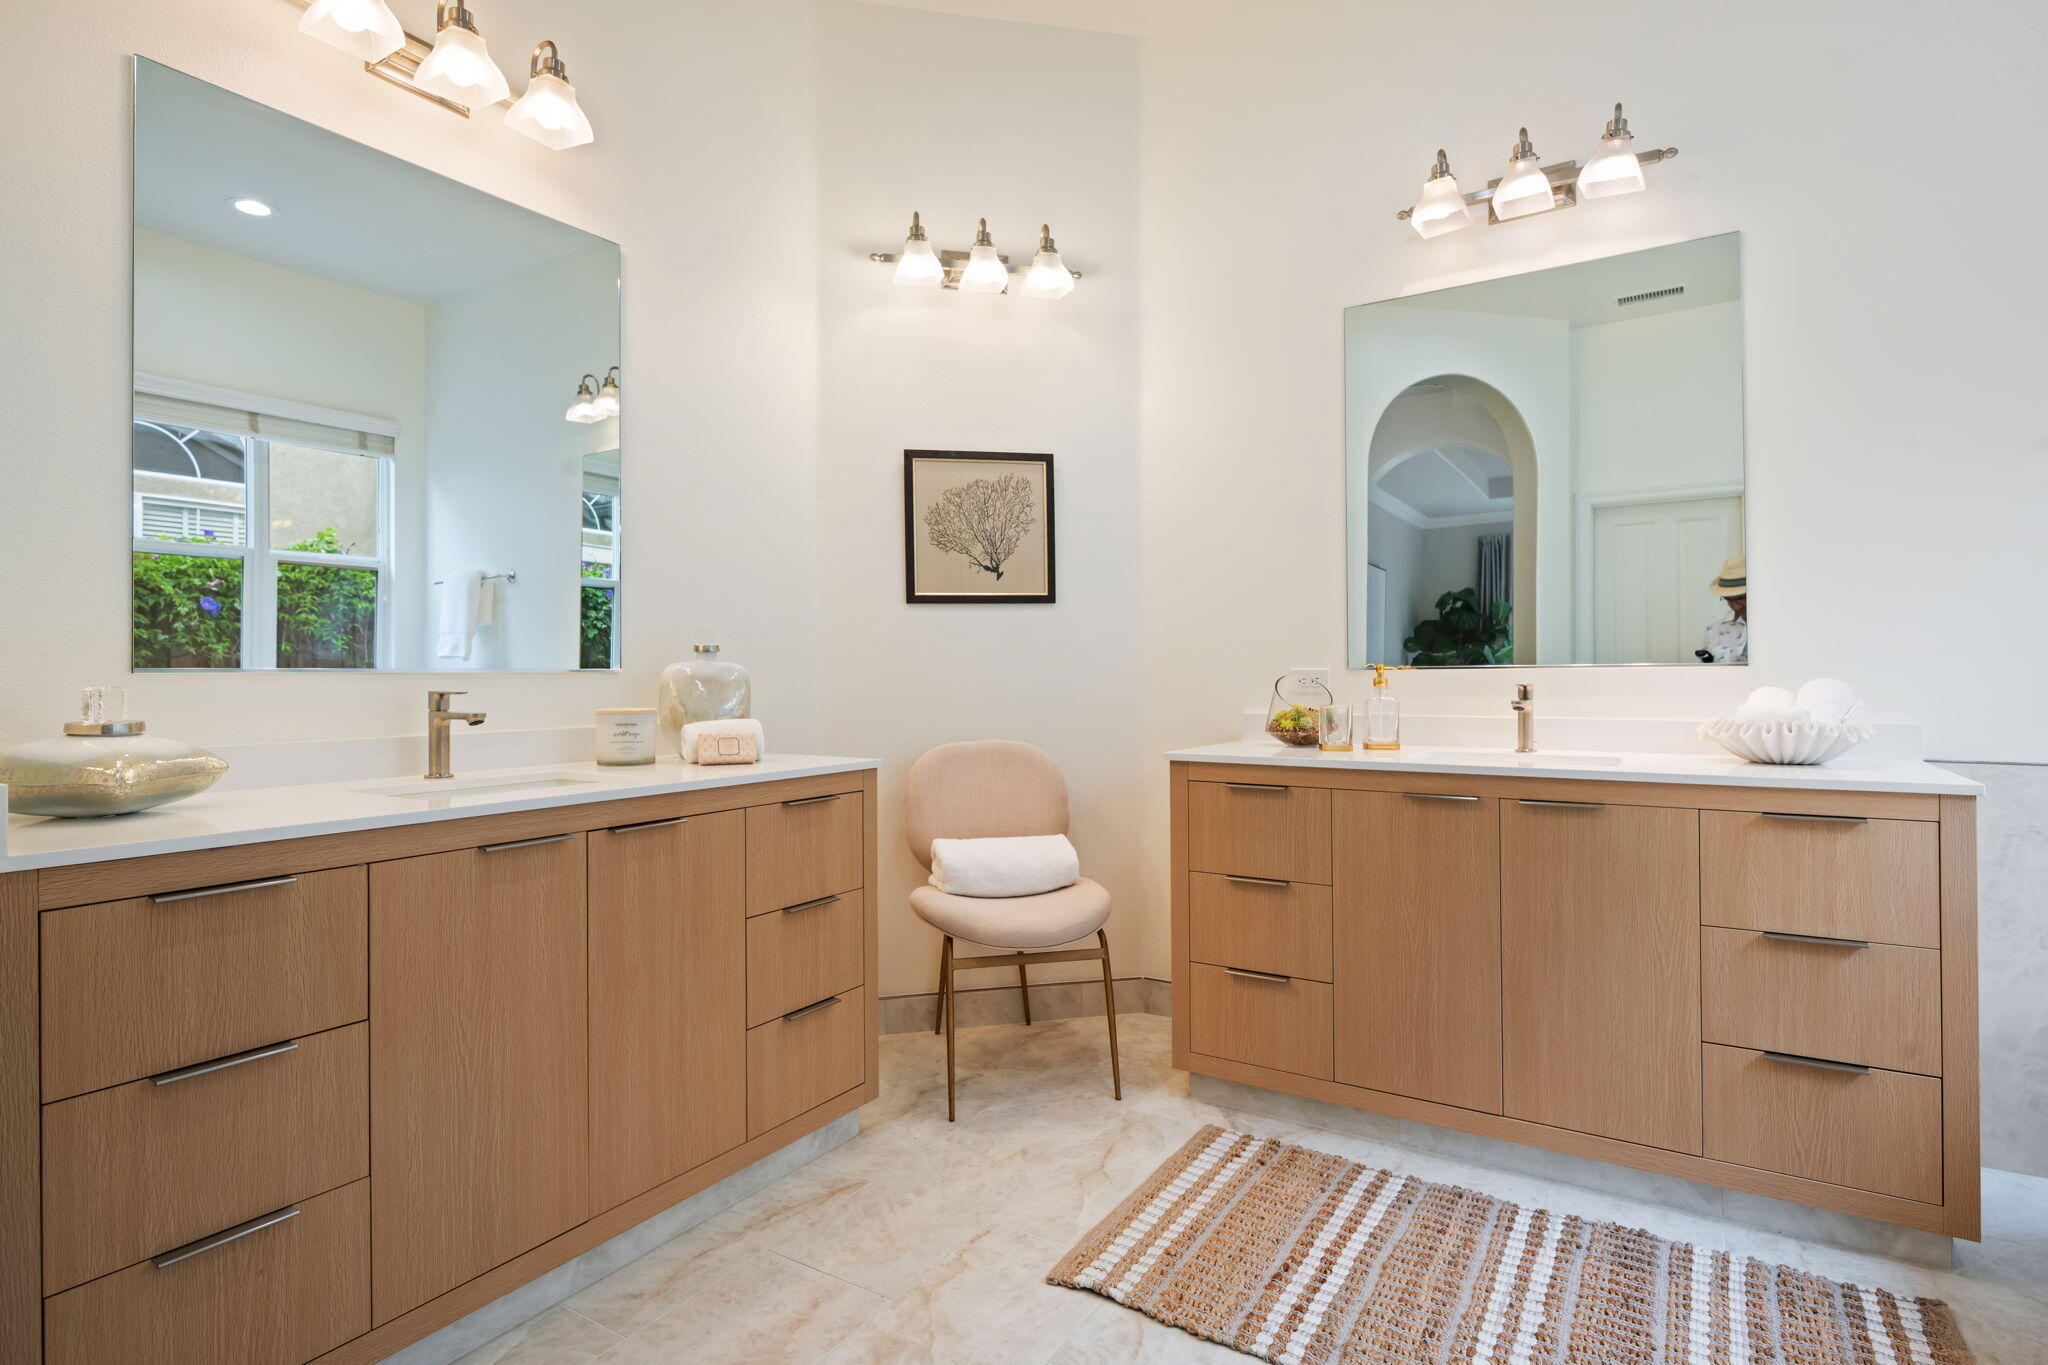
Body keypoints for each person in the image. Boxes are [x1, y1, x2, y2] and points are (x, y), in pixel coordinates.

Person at [1701, 555, 1747, 663]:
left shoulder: (1774, 625)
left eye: (1740, 598)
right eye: (1728, 600)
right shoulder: (1714, 626)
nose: (1735, 606)